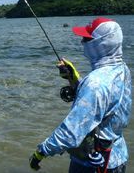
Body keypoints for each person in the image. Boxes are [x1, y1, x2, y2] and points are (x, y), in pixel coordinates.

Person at [29, 17, 132, 172]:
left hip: (95, 164)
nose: (82, 42)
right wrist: (74, 77)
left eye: (87, 38)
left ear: (101, 43)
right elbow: (103, 103)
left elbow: (72, 131)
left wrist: (41, 152)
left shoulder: (95, 83)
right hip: (117, 157)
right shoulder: (122, 69)